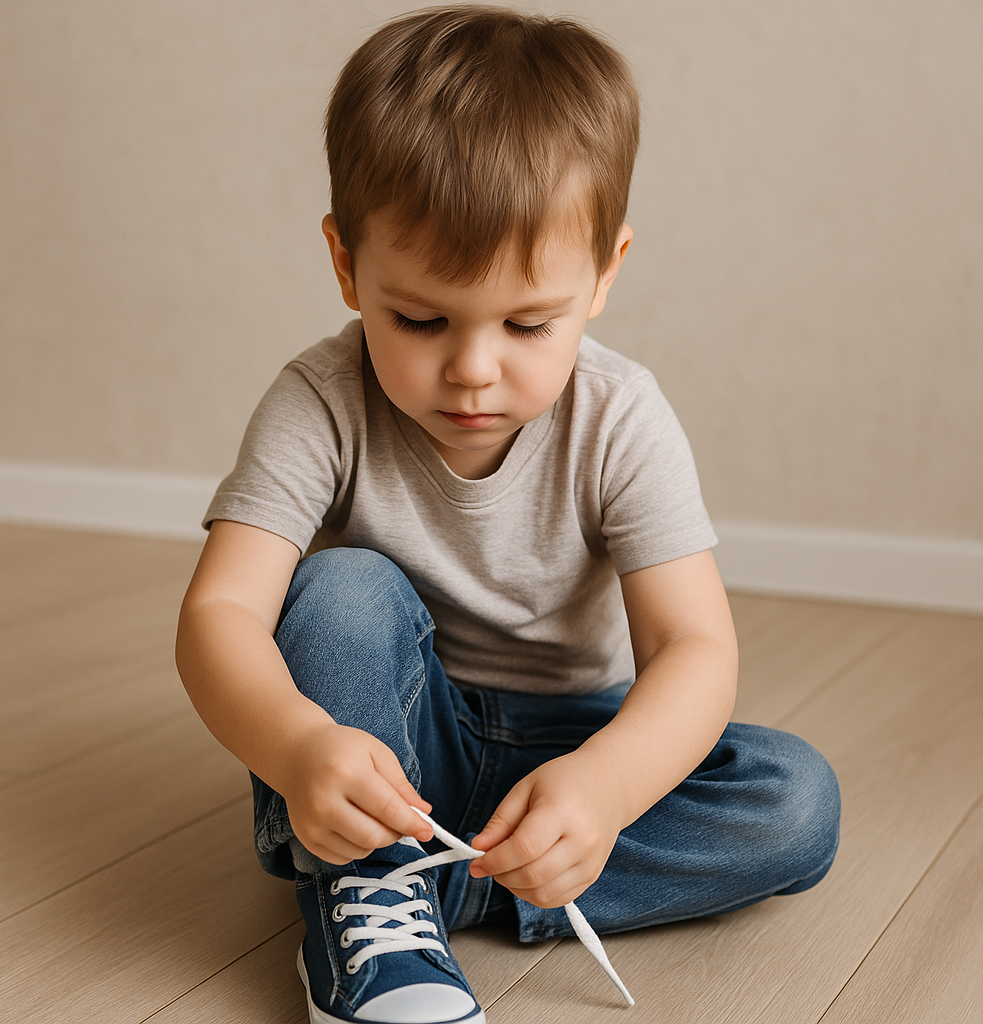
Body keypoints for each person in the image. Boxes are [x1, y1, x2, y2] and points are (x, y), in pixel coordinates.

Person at [175, 7, 841, 1023]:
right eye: (420, 318)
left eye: (529, 322)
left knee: (796, 802)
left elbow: (694, 647)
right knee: (339, 588)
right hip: (389, 738)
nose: (473, 368)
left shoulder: (621, 416)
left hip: (567, 742)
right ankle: (376, 867)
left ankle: (400, 883)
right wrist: (301, 748)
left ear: (605, 273)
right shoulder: (317, 400)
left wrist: (607, 791)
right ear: (347, 264)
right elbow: (218, 616)